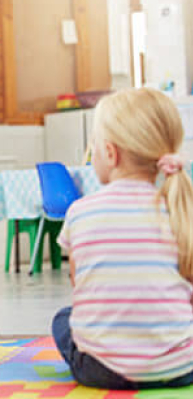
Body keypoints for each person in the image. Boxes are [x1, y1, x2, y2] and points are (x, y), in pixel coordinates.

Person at [53, 87, 193, 389]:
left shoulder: (81, 211)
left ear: (110, 153)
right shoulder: (182, 209)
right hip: (181, 367)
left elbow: (80, 284)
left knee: (63, 319)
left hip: (101, 370)